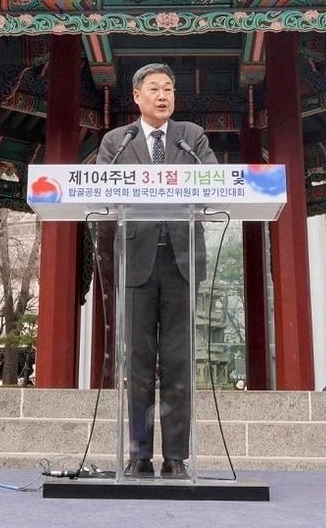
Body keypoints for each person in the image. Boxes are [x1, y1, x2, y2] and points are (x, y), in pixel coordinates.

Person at [96, 62, 215, 480]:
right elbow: (100, 191)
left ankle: (177, 456)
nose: (163, 95)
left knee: (180, 362)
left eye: (169, 89)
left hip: (181, 262)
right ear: (137, 97)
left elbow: (214, 182)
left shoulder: (191, 139)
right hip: (136, 263)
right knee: (139, 365)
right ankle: (139, 454)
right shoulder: (117, 140)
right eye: (154, 89)